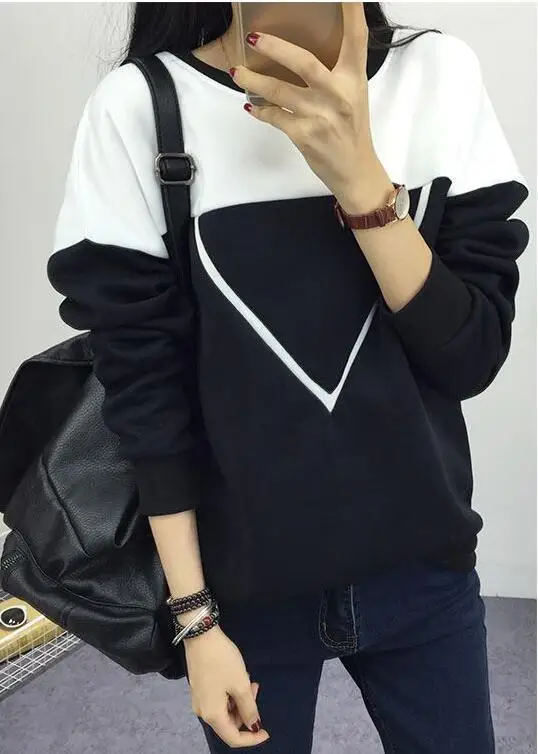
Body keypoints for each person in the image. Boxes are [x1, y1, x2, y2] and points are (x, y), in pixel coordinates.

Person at [46, 3, 529, 752]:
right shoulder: (140, 110)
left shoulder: (437, 77)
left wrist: (361, 182)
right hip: (244, 594)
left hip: (423, 569)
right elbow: (146, 400)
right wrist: (196, 621)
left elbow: (468, 357)